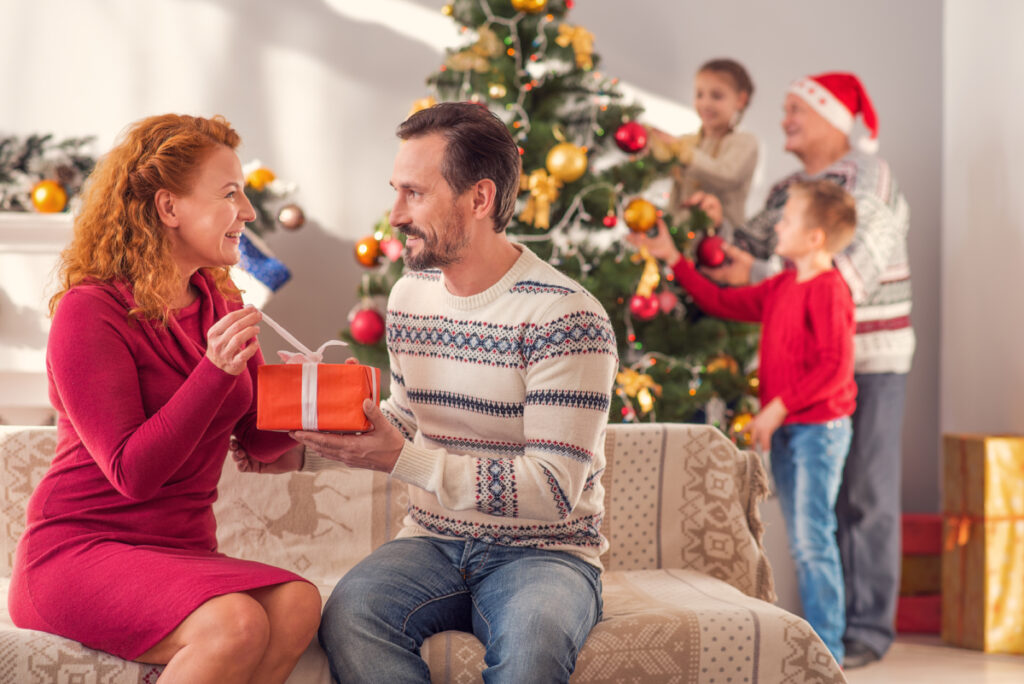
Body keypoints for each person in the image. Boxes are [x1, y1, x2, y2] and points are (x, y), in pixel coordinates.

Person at [288, 102, 618, 683]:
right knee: (350, 616)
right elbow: (405, 423)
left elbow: (552, 490)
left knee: (533, 649)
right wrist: (298, 449)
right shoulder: (408, 298)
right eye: (396, 191)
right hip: (432, 541)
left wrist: (404, 459)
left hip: (548, 552)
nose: (394, 215)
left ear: (480, 199)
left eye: (415, 194)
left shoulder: (564, 317)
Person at [8, 114, 322, 683]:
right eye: (230, 194)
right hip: (80, 550)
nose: (249, 213)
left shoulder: (218, 301)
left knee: (298, 603)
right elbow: (134, 473)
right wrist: (213, 371)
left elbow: (255, 436)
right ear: (168, 208)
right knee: (235, 624)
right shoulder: (90, 311)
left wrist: (315, 396)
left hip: (180, 551)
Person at [688, 72, 914, 669]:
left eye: (795, 110)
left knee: (864, 494)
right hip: (801, 375)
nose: (784, 118)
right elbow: (748, 252)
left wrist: (762, 279)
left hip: (872, 358)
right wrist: (715, 233)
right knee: (819, 509)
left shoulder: (870, 178)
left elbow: (847, 275)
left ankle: (863, 632)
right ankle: (829, 630)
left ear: (832, 118)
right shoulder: (791, 186)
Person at [629, 179, 857, 663]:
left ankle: (828, 654)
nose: (778, 223)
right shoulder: (782, 284)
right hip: (794, 428)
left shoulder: (830, 290)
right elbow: (723, 302)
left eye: (789, 218)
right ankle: (820, 648)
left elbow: (835, 368)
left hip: (819, 432)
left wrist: (778, 406)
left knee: (813, 540)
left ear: (815, 237)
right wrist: (675, 260)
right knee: (803, 539)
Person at [649, 58, 759, 234]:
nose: (705, 103)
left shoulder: (745, 141)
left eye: (716, 96)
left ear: (740, 100)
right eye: (699, 95)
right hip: (678, 237)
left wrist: (682, 152)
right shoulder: (689, 141)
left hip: (720, 242)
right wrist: (655, 147)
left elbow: (726, 175)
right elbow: (663, 172)